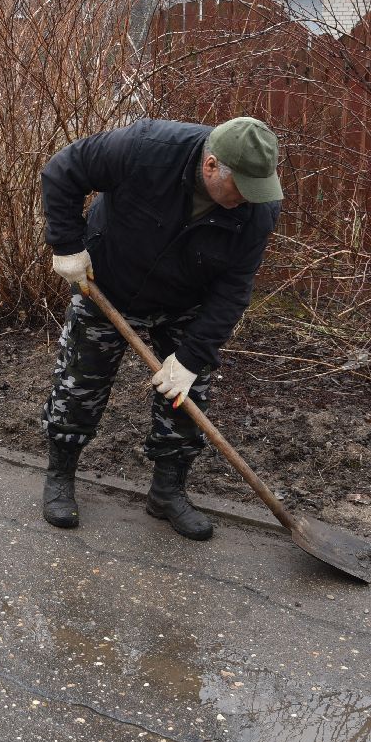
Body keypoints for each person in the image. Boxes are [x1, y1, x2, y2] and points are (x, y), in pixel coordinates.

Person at [38, 116, 283, 540]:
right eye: (241, 187)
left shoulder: (259, 209)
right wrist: (66, 244)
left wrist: (191, 358)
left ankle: (168, 491)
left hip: (188, 299)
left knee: (187, 393)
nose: (248, 199)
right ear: (210, 166)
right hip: (109, 283)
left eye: (256, 189)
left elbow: (233, 290)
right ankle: (60, 475)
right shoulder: (145, 148)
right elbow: (63, 169)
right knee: (80, 382)